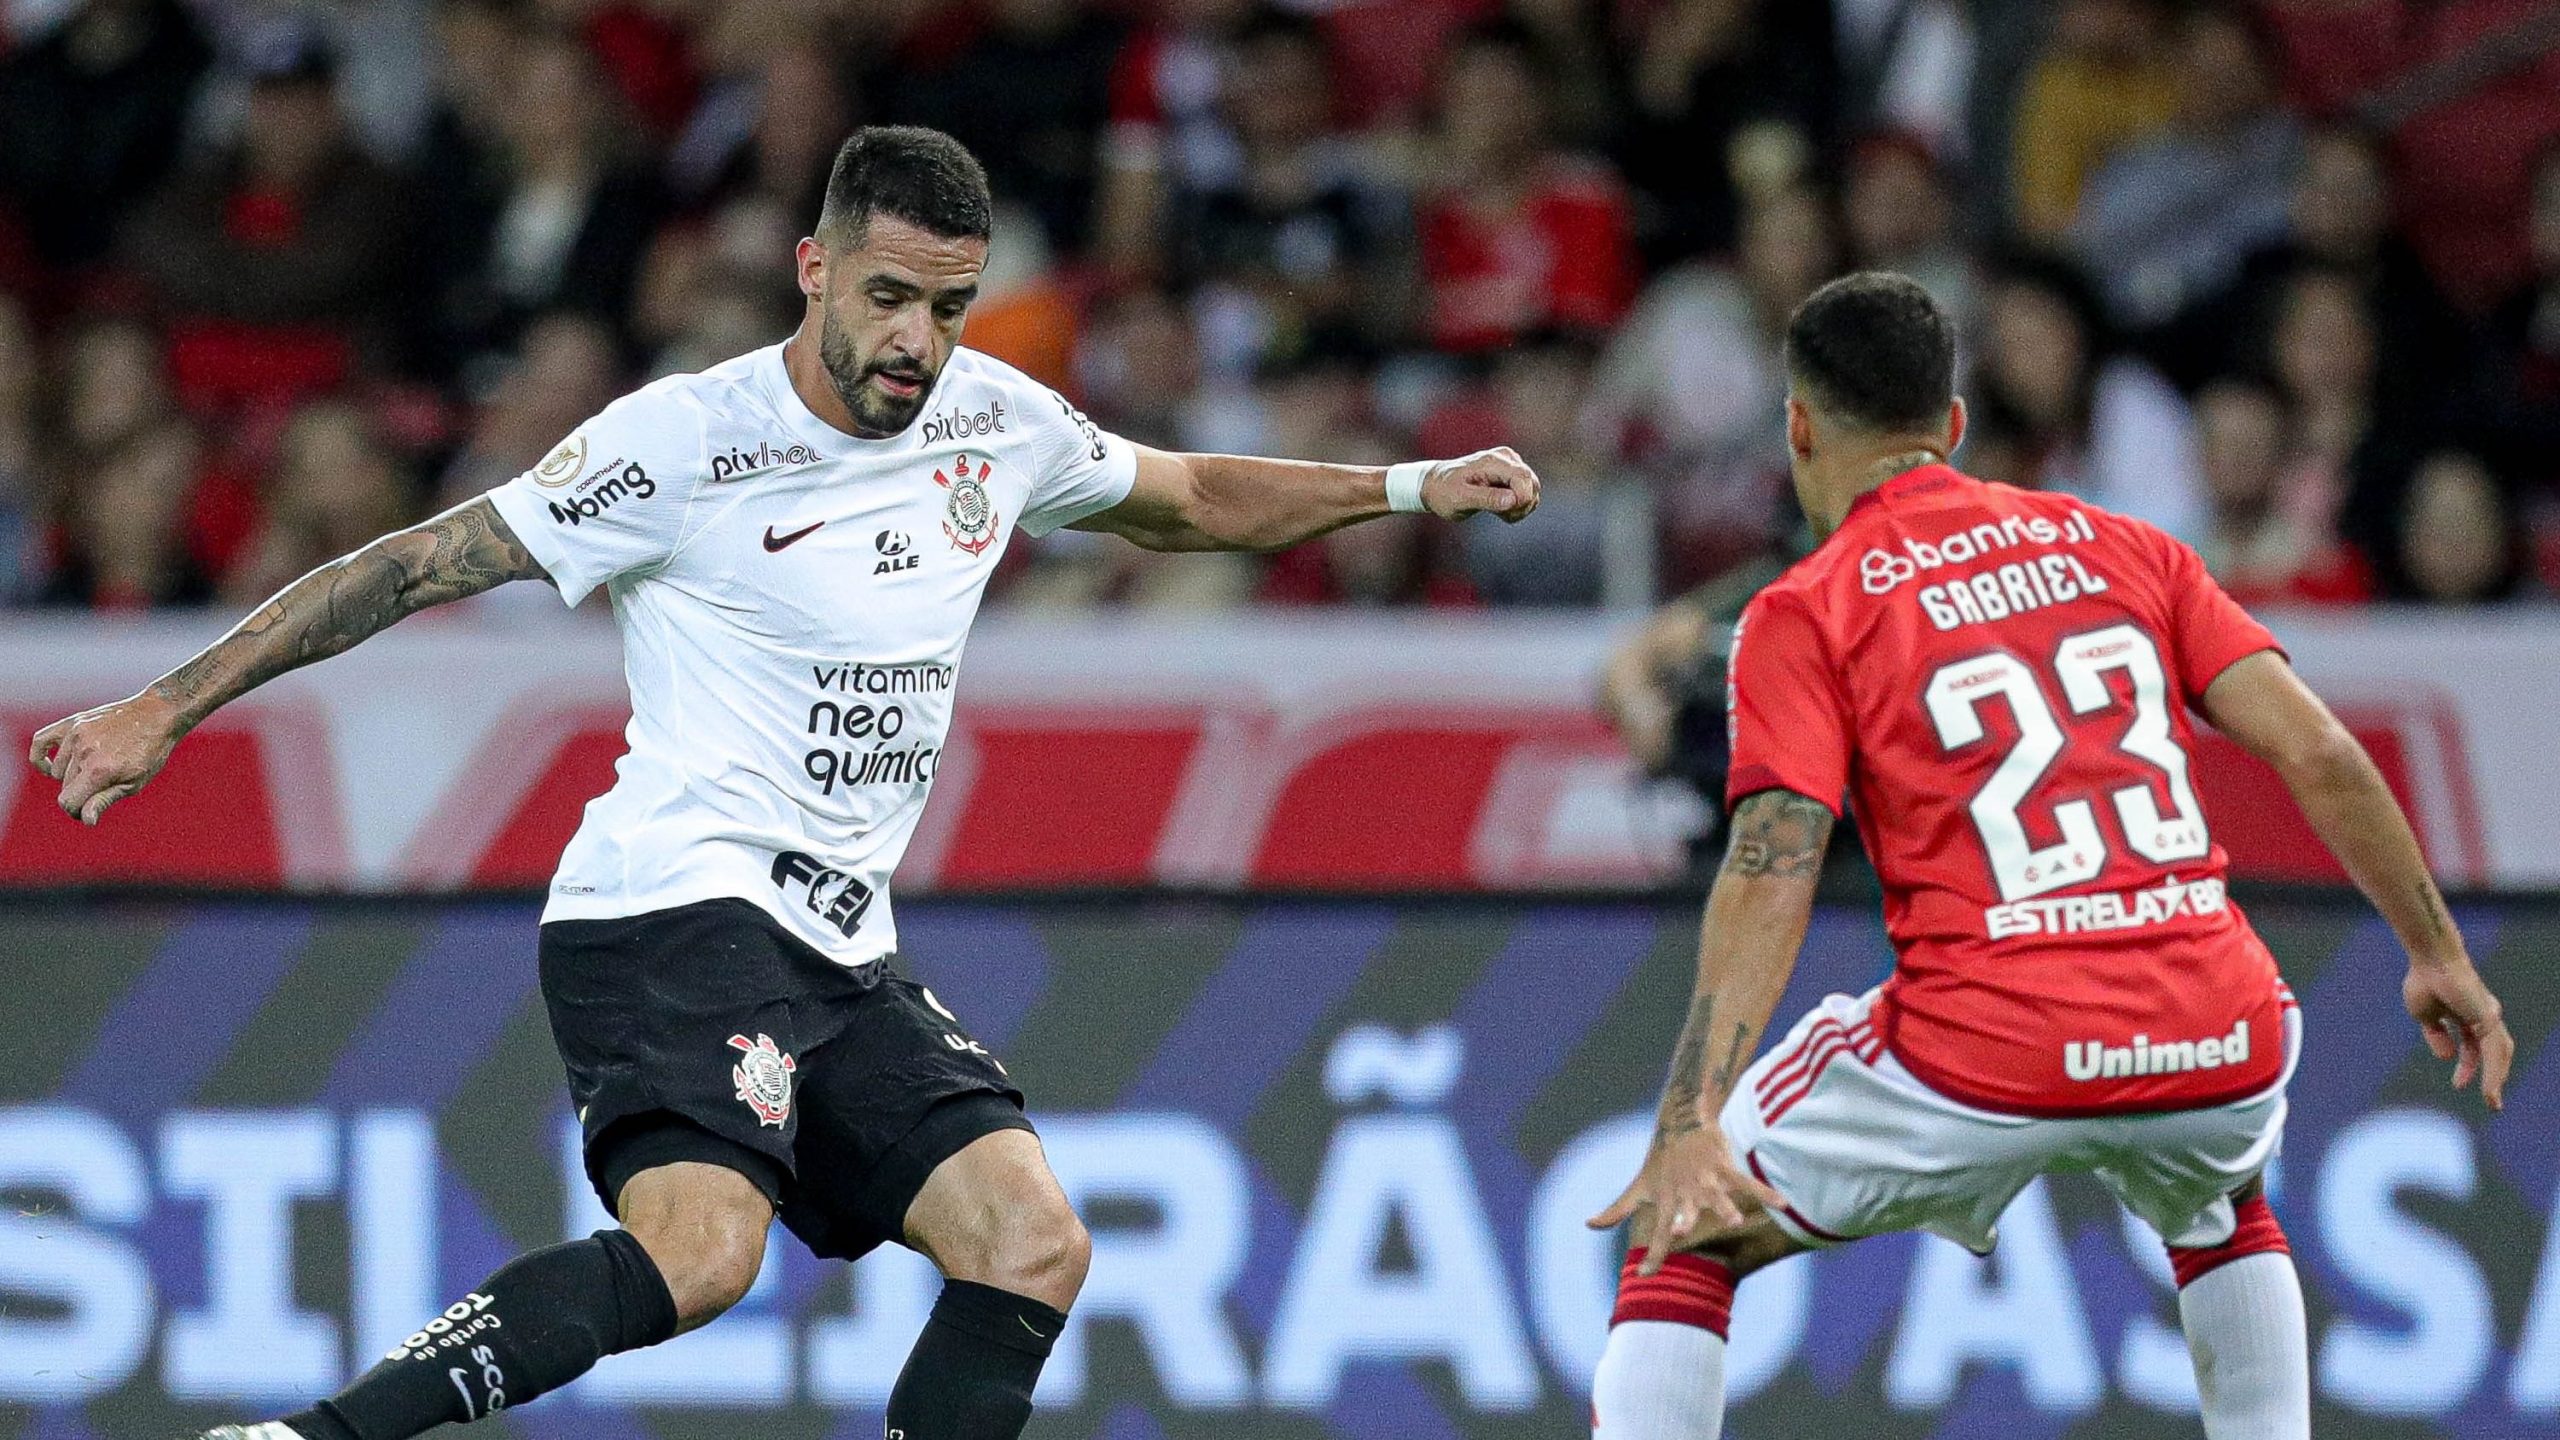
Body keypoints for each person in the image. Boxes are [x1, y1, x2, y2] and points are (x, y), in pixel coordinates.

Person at [28, 125, 1541, 1440]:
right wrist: (168, 707)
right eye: (888, 299)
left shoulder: (993, 423)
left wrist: (1408, 487)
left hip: (840, 940)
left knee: (1032, 1244)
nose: (917, 343)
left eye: (950, 308)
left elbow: (1196, 494)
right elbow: (419, 562)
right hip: (671, 903)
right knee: (703, 1256)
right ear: (813, 267)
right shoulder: (686, 441)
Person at [1584, 272, 2510, 1440]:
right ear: (1955, 426)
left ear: (1800, 427)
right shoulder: (2125, 546)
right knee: (2219, 1193)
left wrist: (1690, 1121)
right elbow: (2320, 751)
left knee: (1682, 1227)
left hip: (1989, 1041)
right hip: (2220, 1028)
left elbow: (1774, 862)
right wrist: (2436, 954)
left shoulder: (1805, 609)